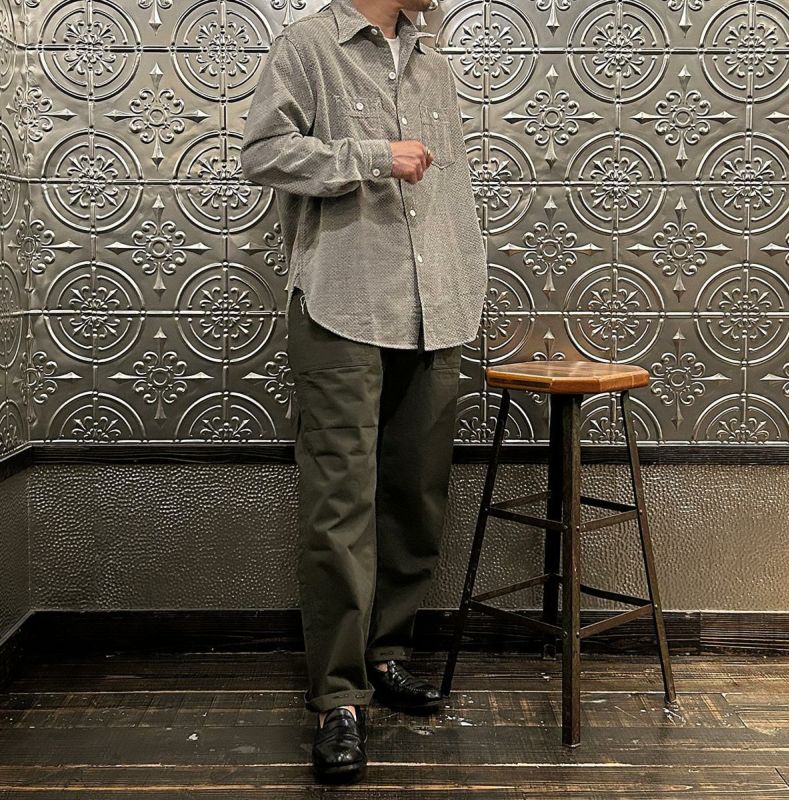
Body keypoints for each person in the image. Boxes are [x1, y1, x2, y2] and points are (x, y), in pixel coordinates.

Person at [240, 0, 487, 784]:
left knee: (415, 495)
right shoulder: (307, 46)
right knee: (339, 504)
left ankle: (386, 655)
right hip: (341, 306)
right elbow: (264, 153)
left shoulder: (434, 62)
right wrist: (374, 156)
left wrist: (464, 282)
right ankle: (338, 699)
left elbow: (450, 191)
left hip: (434, 310)